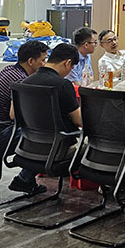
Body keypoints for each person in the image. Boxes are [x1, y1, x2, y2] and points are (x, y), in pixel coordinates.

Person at [10, 43, 82, 194]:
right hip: (58, 150)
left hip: (27, 145)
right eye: (72, 67)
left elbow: (13, 115)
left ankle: (24, 179)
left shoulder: (24, 82)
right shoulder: (63, 85)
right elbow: (79, 121)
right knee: (92, 144)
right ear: (68, 63)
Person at [0, 40, 49, 123]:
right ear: (30, 61)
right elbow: (13, 115)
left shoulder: (9, 69)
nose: (45, 64)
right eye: (43, 60)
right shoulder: (20, 80)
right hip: (3, 126)